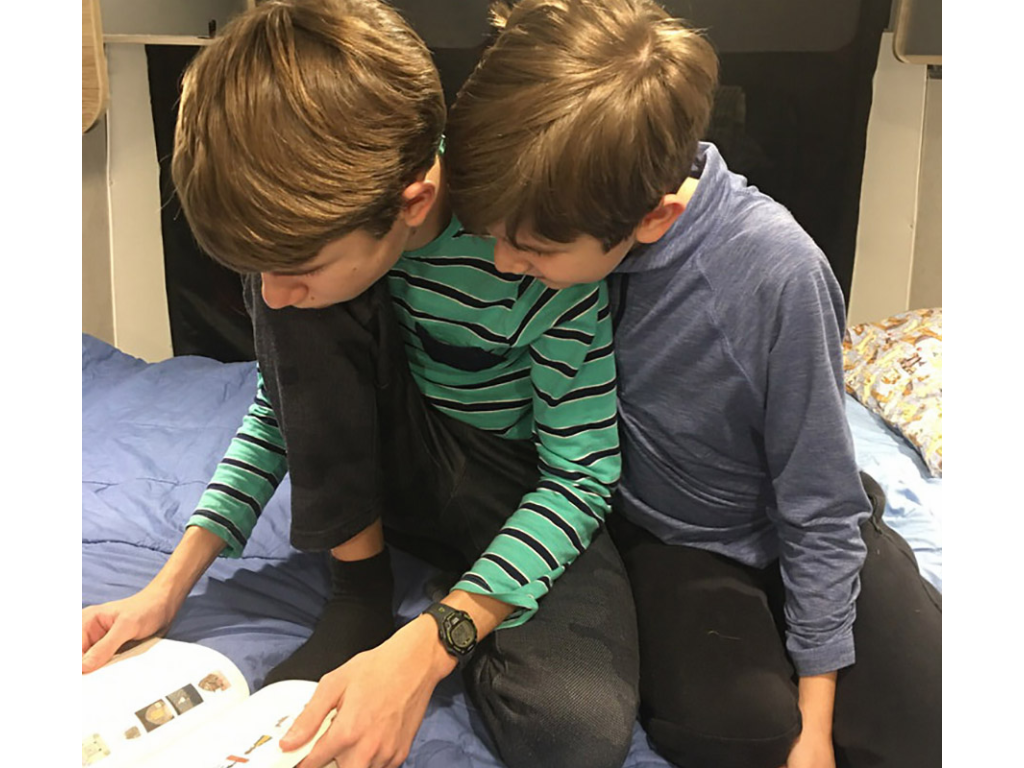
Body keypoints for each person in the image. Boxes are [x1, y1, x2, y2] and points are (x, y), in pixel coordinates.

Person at [80, 2, 640, 768]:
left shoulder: (533, 239)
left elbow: (582, 476)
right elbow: (286, 406)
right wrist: (168, 586)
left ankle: (450, 593)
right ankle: (360, 587)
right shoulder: (302, 262)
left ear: (412, 203)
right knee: (299, 306)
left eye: (298, 267)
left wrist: (438, 637)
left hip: (506, 481)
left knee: (572, 734)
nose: (270, 296)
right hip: (392, 464)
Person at [444, 1, 942, 767]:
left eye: (533, 248)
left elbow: (816, 501)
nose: (506, 265)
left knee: (929, 724)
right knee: (742, 733)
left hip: (803, 517)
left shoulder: (777, 273)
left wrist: (817, 722)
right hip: (673, 537)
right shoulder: (572, 218)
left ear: (654, 216)